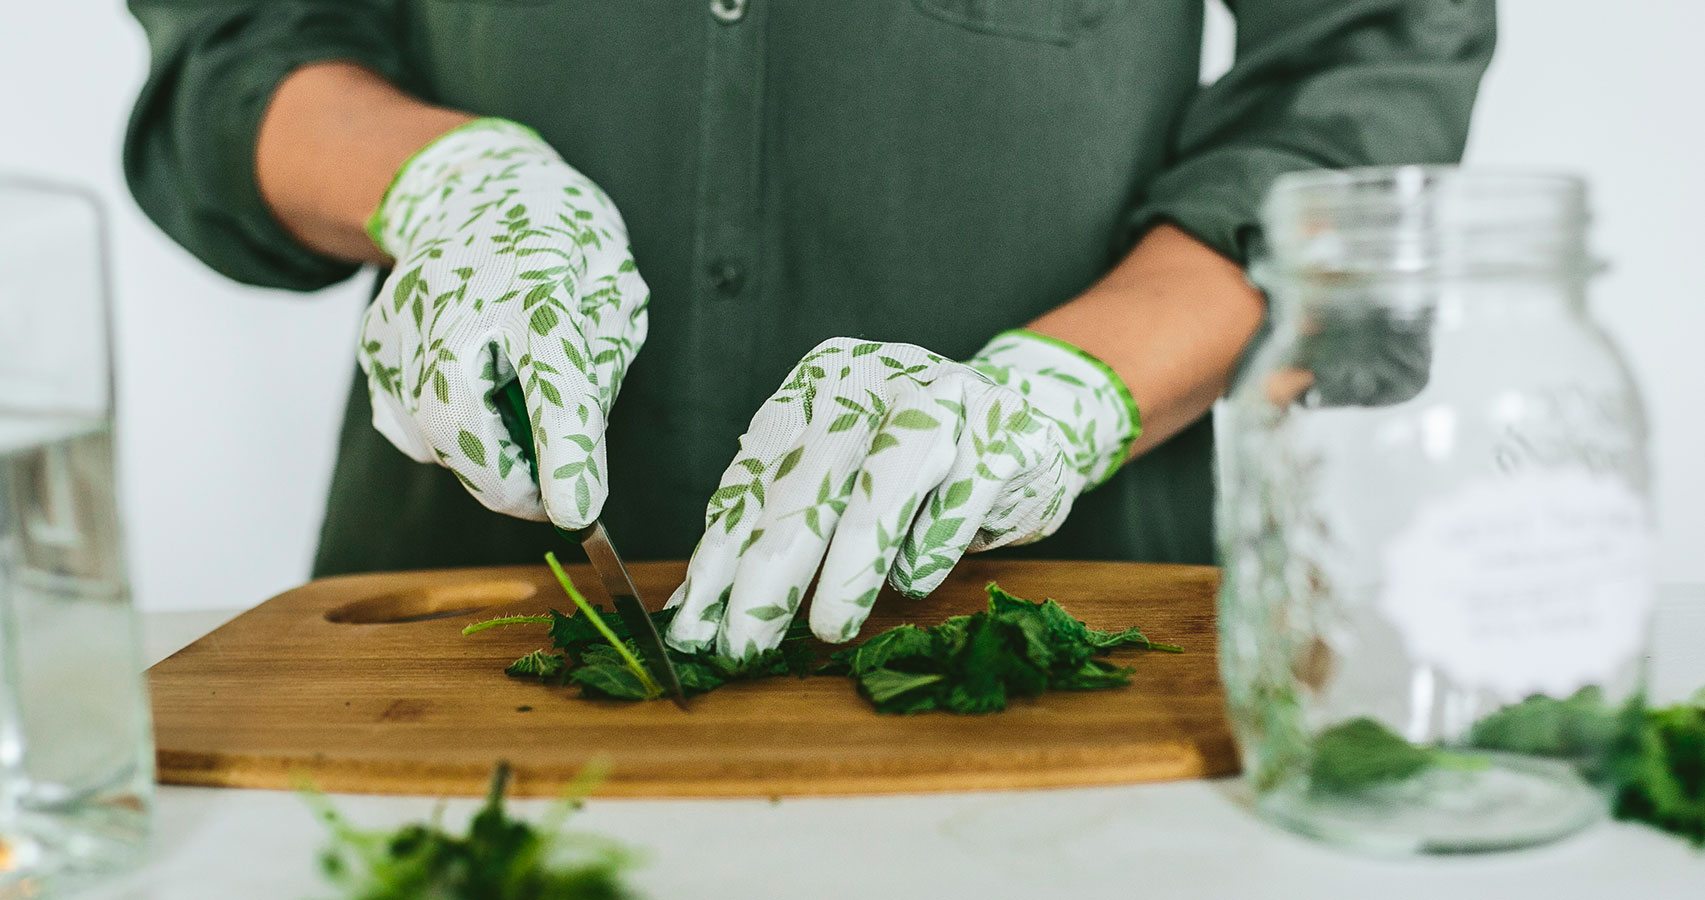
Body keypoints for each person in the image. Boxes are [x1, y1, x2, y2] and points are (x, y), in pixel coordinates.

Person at [125, 1, 1493, 658]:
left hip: (1066, 628)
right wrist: (447, 186)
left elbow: (1360, 75)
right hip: (460, 627)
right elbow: (241, 42)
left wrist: (1058, 394)